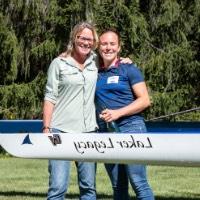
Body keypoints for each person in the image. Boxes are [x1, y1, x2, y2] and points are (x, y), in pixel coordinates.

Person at [95, 28, 155, 200]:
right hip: (106, 132)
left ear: (119, 47)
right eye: (104, 44)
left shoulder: (129, 69)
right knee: (118, 186)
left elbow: (144, 100)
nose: (108, 47)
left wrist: (117, 113)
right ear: (99, 47)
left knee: (138, 182)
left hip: (131, 128)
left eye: (112, 44)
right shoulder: (95, 72)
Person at [43, 21, 98, 200]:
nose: (86, 42)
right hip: (60, 130)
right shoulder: (58, 63)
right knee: (58, 187)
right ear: (74, 38)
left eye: (90, 39)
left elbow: (113, 58)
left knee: (88, 187)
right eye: (82, 38)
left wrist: (125, 59)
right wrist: (46, 128)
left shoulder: (96, 61)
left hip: (88, 131)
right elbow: (50, 97)